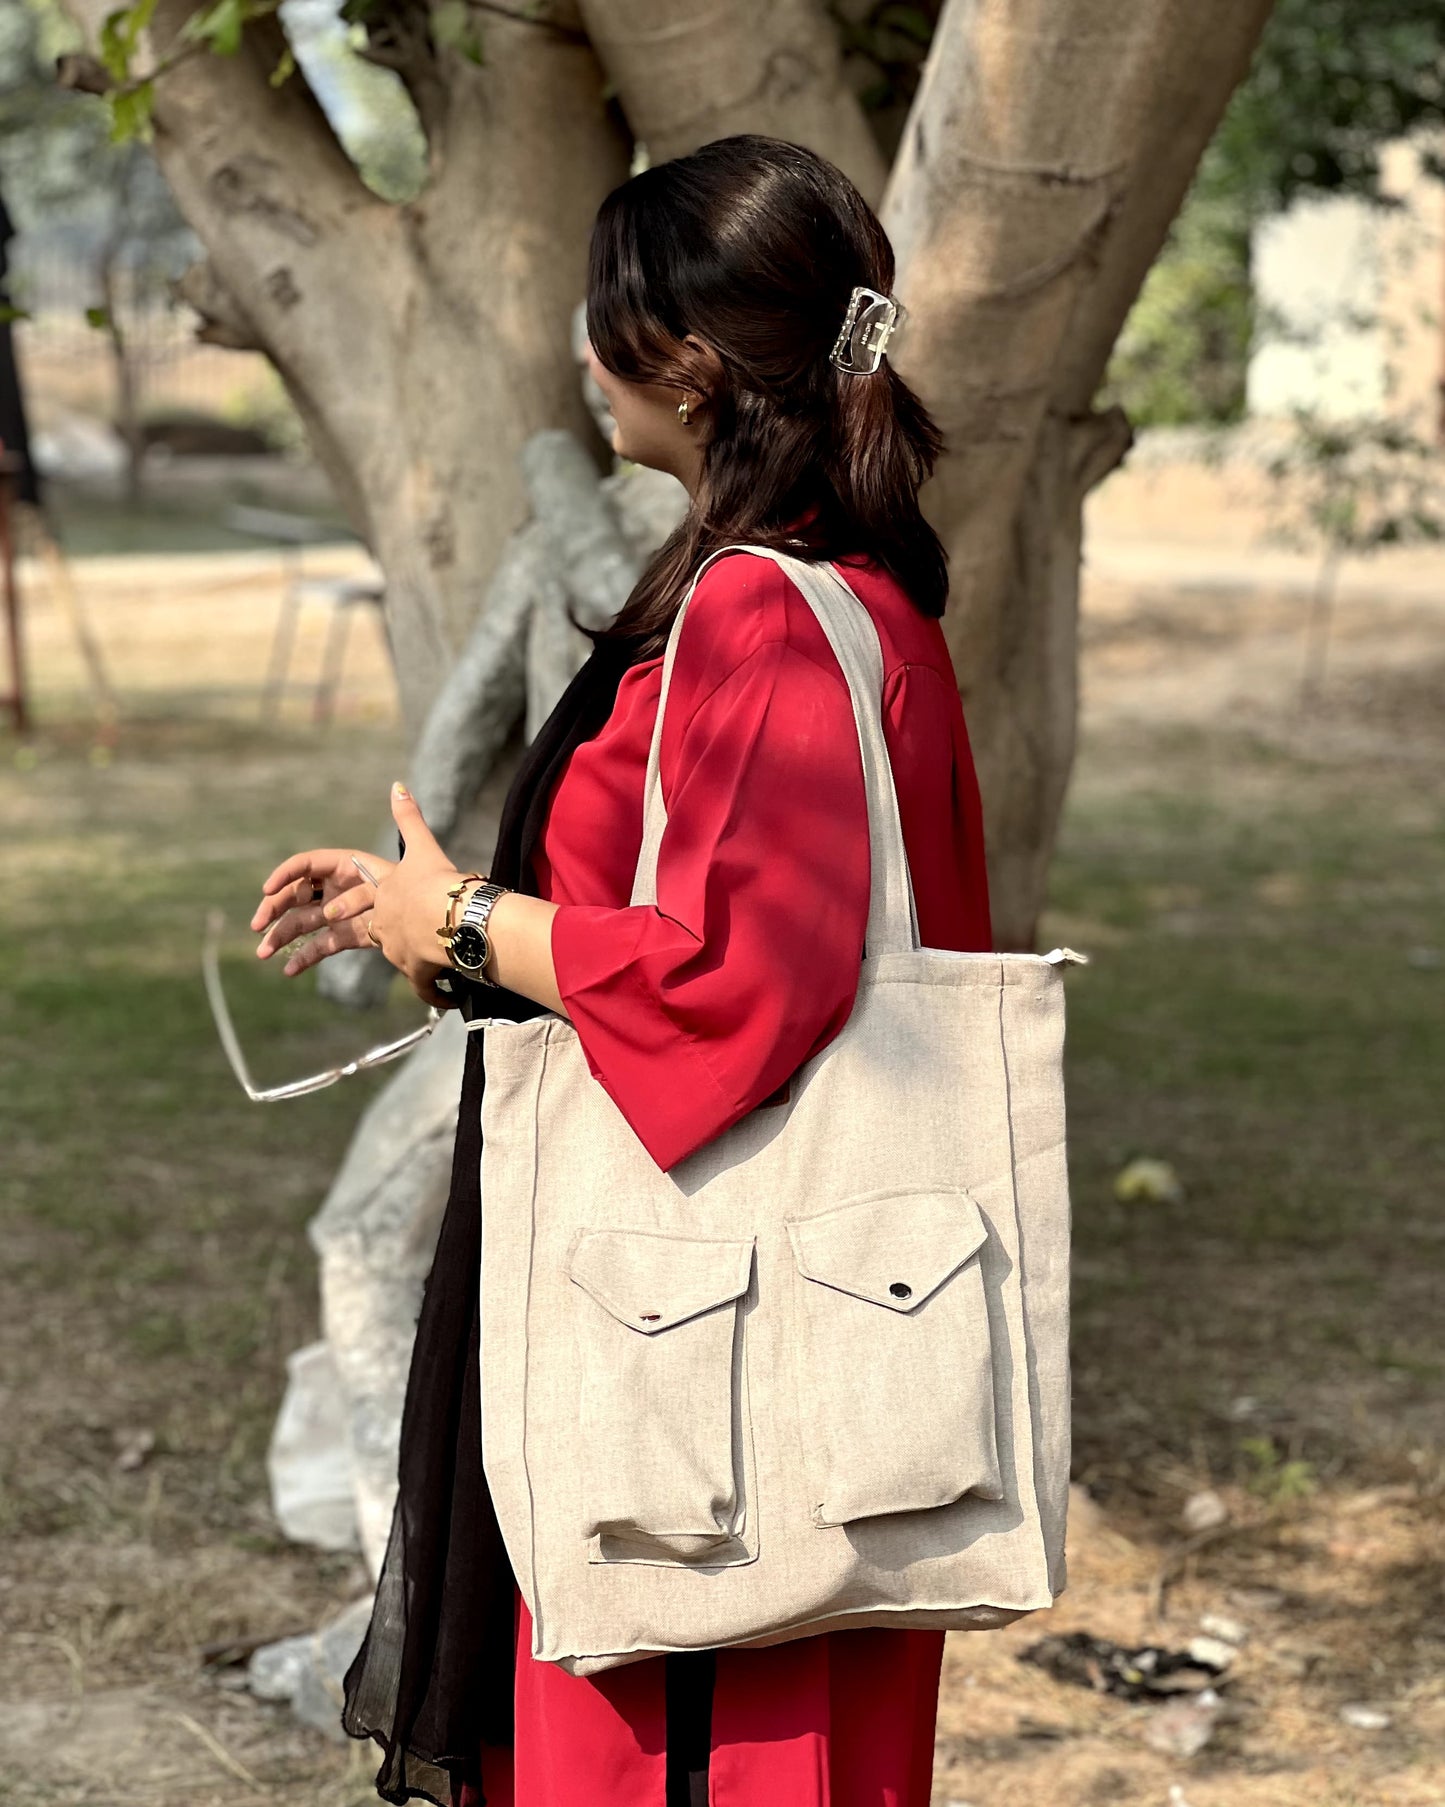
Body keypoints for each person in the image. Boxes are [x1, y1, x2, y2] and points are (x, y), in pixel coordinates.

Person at [249, 134, 992, 1807]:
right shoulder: (860, 592)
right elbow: (680, 923)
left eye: (609, 325)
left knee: (686, 1748)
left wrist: (454, 924)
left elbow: (732, 977)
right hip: (772, 1321)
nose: (582, 361)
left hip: (710, 1350)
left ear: (693, 366)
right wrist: (428, 914)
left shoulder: (759, 613)